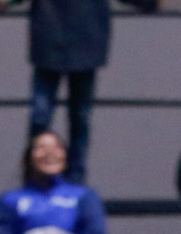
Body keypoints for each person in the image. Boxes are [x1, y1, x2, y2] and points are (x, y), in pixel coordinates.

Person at [24, 0, 152, 183]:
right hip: (69, 39)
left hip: (70, 39)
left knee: (66, 118)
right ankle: (57, 178)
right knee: (57, 118)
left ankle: (62, 179)